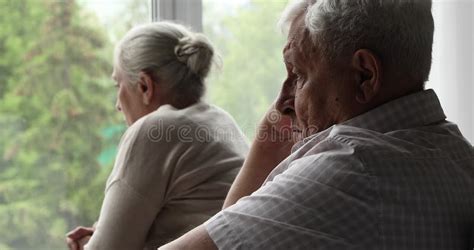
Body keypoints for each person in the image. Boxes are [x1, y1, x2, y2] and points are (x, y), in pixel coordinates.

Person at [161, 0, 474, 249]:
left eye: (298, 75)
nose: (283, 101)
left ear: (364, 75)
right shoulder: (459, 155)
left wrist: (266, 151)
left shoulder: (348, 167)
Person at [65, 22, 249, 250]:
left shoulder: (154, 131)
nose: (117, 105)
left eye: (117, 85)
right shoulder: (221, 121)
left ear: (144, 86)